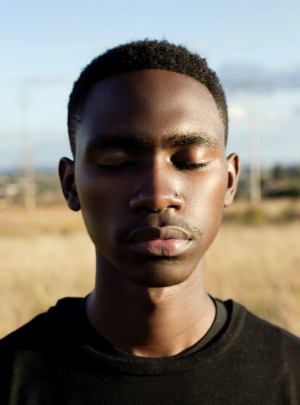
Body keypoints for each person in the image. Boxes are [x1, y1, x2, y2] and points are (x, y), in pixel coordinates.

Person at [1, 39, 300, 404]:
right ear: (70, 185)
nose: (158, 194)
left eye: (189, 160)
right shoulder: (9, 378)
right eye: (116, 162)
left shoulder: (291, 375)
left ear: (229, 180)